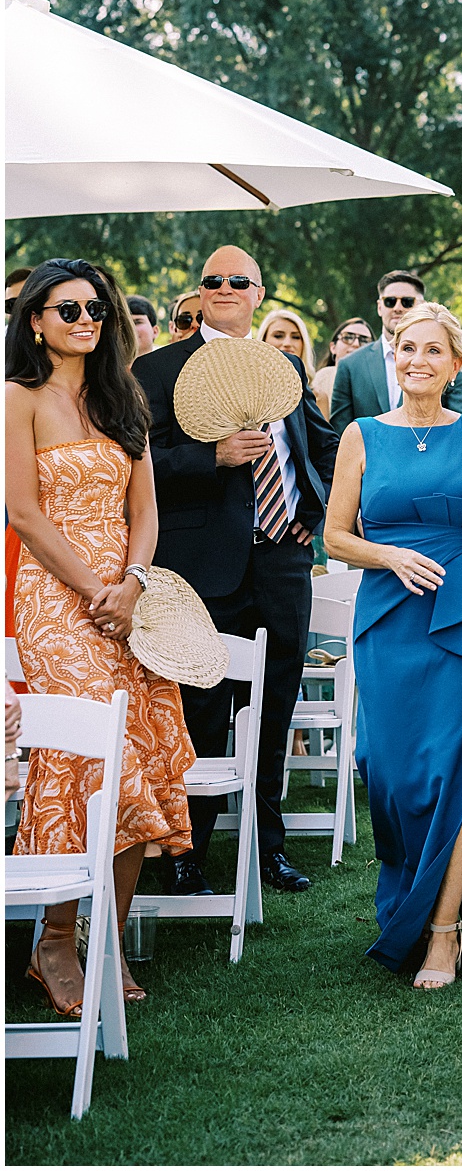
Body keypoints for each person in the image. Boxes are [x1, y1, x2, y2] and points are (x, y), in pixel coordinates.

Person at [6, 258, 195, 1015]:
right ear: (36, 321)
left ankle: (103, 940)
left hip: (128, 596)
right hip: (55, 597)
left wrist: (133, 584)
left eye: (95, 308)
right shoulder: (16, 398)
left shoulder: (124, 396)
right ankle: (55, 938)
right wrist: (93, 590)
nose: (87, 318)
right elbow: (22, 510)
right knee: (93, 751)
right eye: (68, 308)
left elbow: (145, 512)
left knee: (136, 757)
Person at [133, 246, 339, 896]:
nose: (223, 287)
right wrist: (211, 455)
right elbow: (140, 464)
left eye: (237, 280)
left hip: (282, 558)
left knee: (275, 703)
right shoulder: (158, 368)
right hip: (200, 566)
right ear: (199, 293)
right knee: (201, 707)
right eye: (212, 280)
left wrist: (318, 506)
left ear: (259, 291)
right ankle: (186, 849)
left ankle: (268, 847)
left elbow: (325, 443)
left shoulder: (283, 365)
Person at [324, 302, 462, 988]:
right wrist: (389, 555)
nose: (418, 360)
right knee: (390, 774)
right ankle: (412, 900)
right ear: (391, 359)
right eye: (406, 349)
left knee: (456, 773)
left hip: (458, 616)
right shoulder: (361, 434)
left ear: (457, 365)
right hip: (388, 617)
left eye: (434, 351)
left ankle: (444, 931)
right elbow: (335, 534)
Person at [330, 270, 462, 435]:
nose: (397, 308)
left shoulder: (447, 363)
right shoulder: (350, 365)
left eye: (407, 302)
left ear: (422, 306)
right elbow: (339, 436)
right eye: (390, 302)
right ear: (380, 307)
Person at [311, 317, 373, 422]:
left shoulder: (380, 382)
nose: (356, 344)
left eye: (364, 340)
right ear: (333, 347)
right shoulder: (322, 377)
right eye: (348, 337)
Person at [256, 308, 317, 381]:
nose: (287, 343)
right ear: (263, 340)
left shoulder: (317, 390)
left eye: (296, 337)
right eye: (278, 336)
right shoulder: (245, 386)